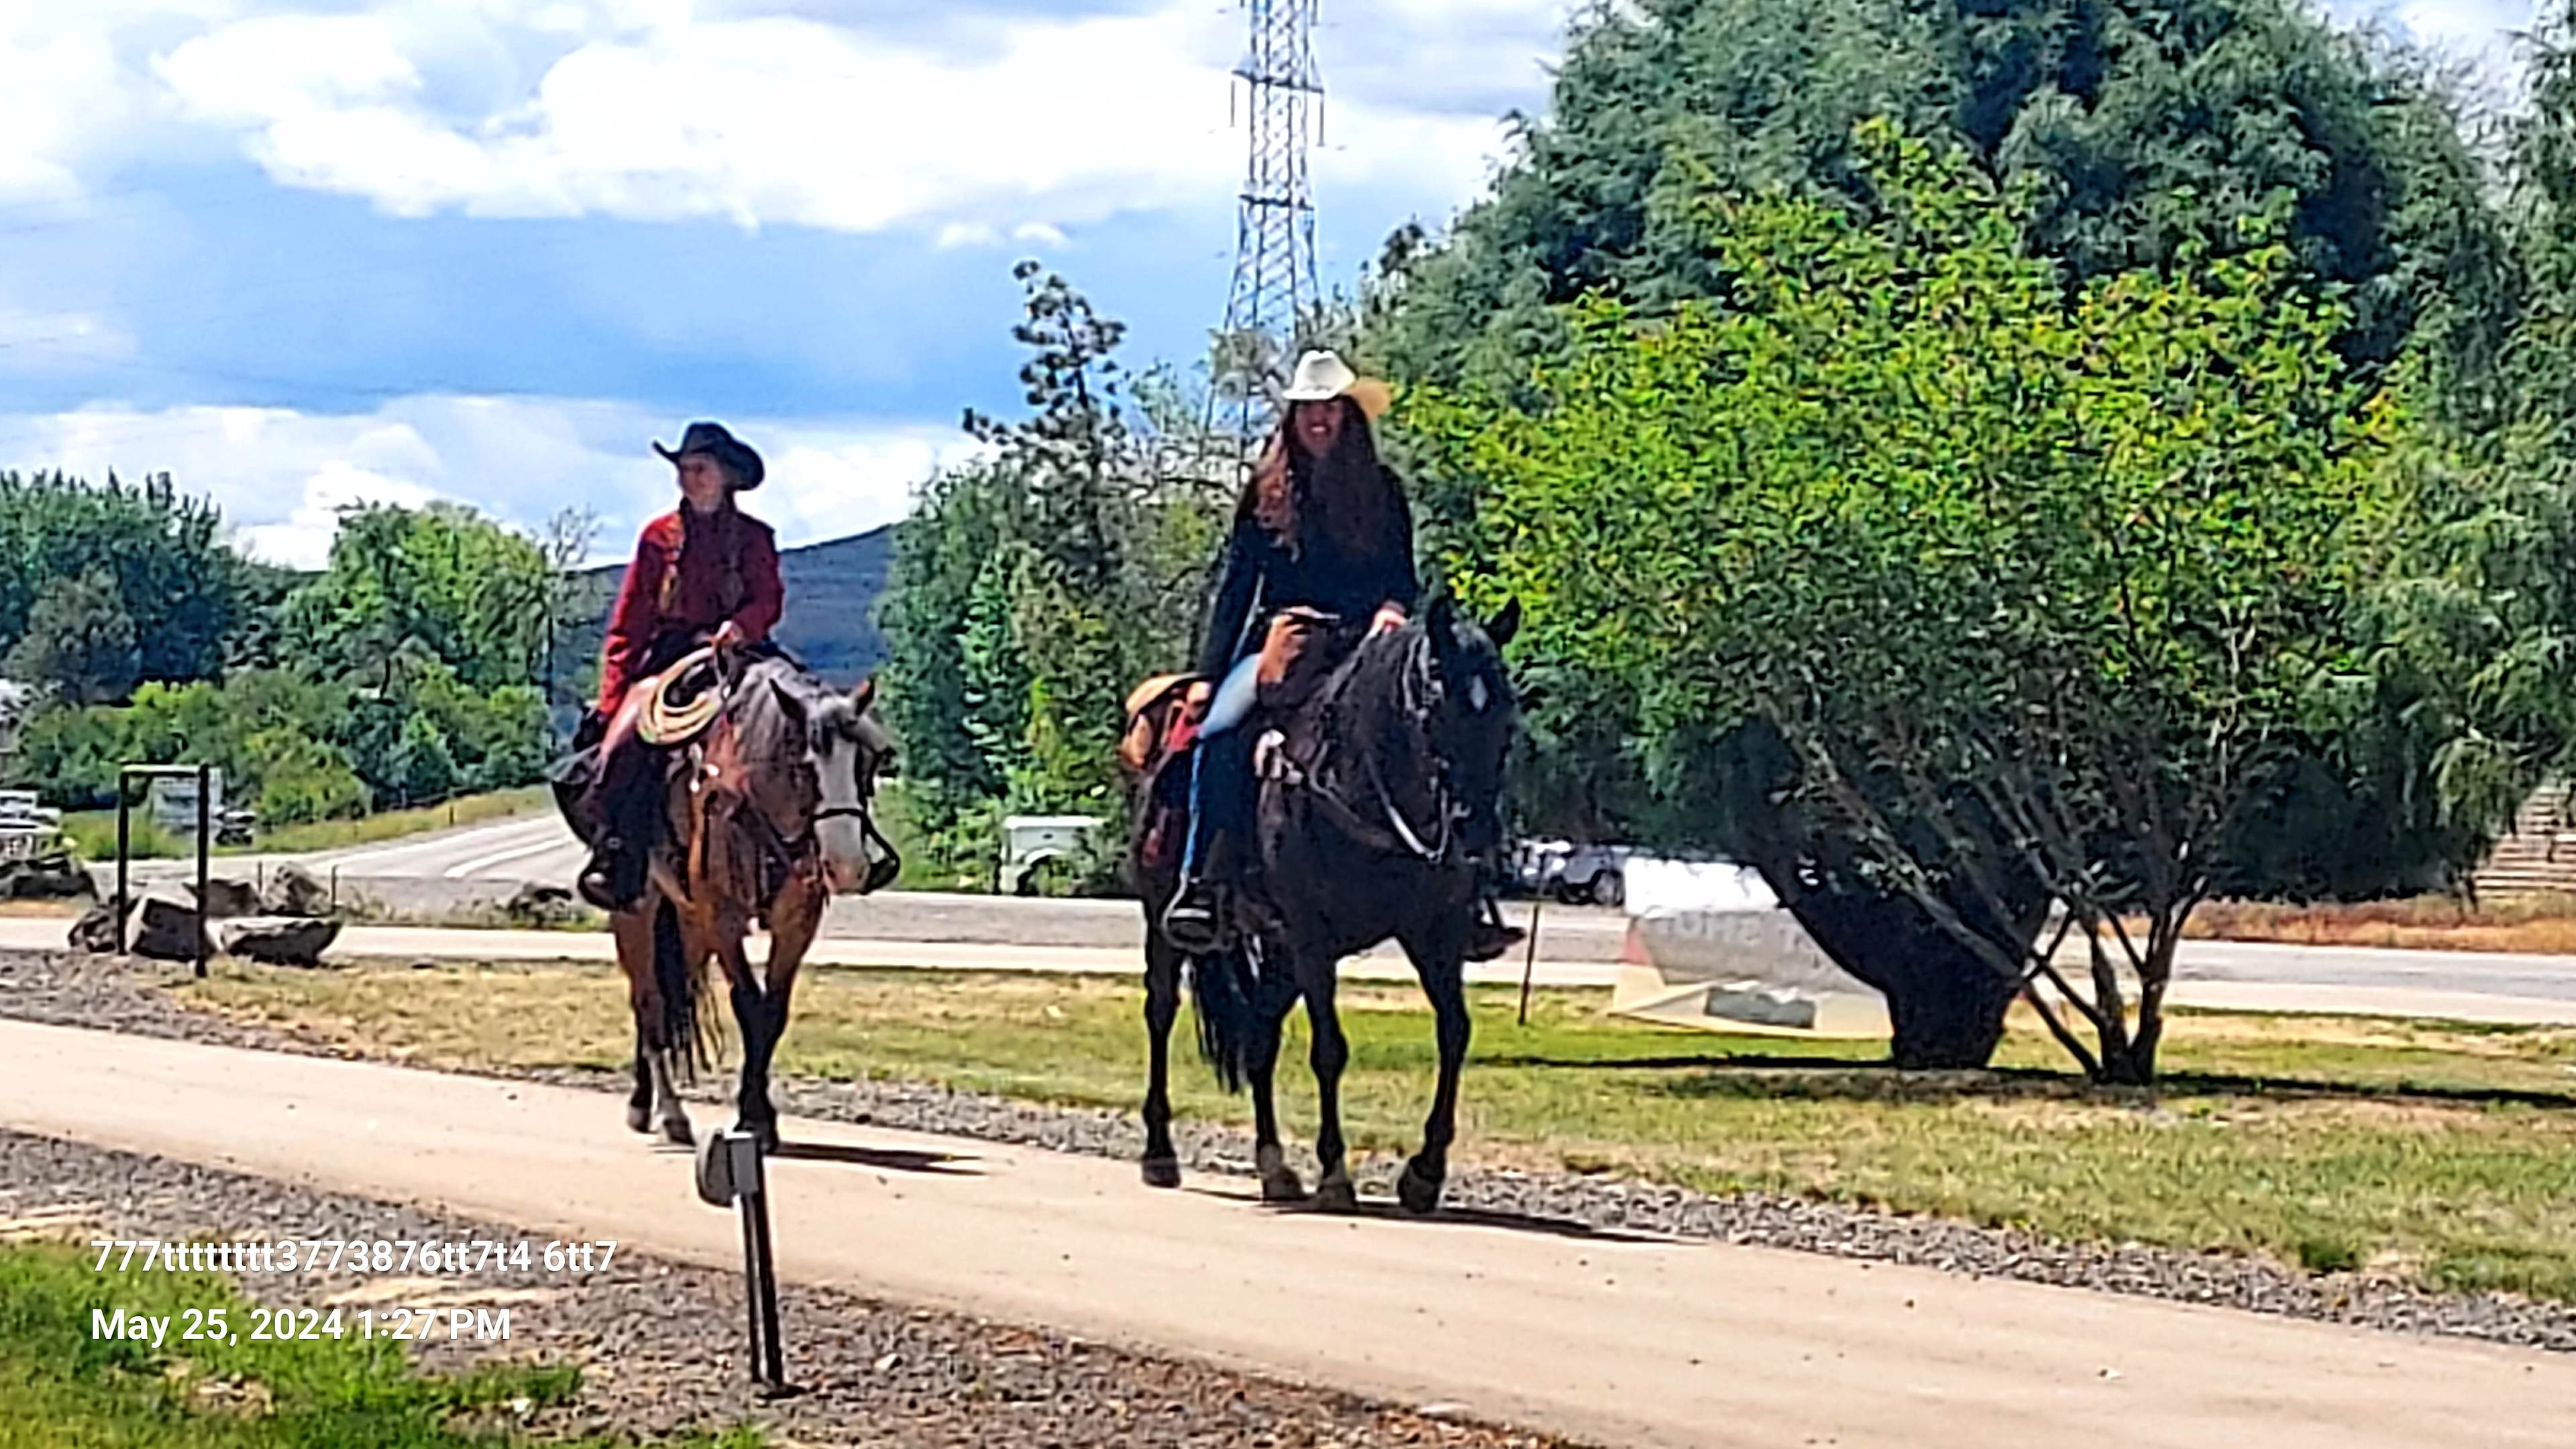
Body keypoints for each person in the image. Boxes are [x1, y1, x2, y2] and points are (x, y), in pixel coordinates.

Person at [1161, 351, 1520, 961]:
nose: (1319, 420)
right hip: (1283, 643)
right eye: (1309, 410)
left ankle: (1469, 894)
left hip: (1366, 647)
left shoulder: (1383, 491)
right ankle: (1203, 881)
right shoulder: (1263, 495)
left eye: (1330, 409)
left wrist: (1390, 610)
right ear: (1293, 419)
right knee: (1218, 733)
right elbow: (1235, 588)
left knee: (1449, 734)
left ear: (1350, 417)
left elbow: (1400, 577)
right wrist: (1208, 673)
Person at [574, 421, 784, 912]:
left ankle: (811, 855)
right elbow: (629, 623)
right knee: (619, 750)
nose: (689, 479)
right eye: (684, 470)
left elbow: (769, 599)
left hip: (741, 659)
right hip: (669, 663)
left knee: (813, 726)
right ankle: (618, 858)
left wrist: (742, 627)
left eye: (699, 469)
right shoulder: (657, 538)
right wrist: (612, 701)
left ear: (726, 476)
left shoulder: (755, 538)